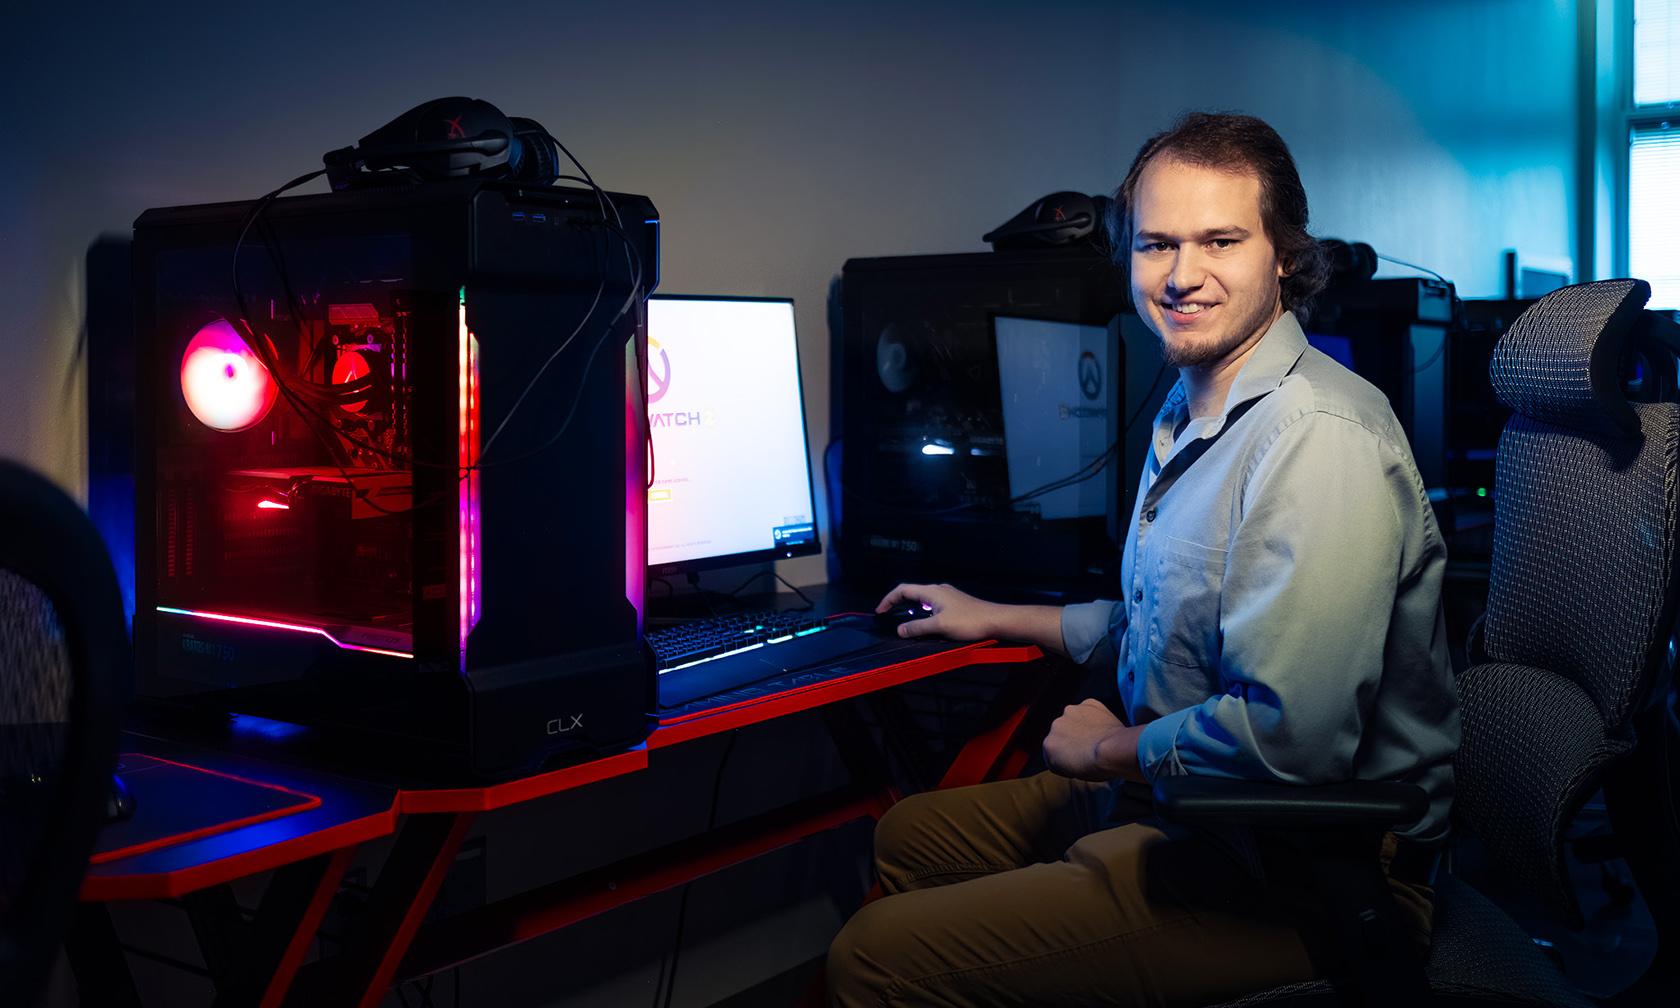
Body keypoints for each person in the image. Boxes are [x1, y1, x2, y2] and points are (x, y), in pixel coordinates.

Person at [826, 111, 1462, 1007]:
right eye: (1158, 244)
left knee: (874, 957)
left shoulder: (1317, 439)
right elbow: (1177, 617)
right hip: (1191, 809)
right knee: (910, 840)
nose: (1183, 275)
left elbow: (1291, 740)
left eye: (1221, 240)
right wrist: (998, 615)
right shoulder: (1190, 404)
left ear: (1283, 254)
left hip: (1306, 868)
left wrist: (1113, 749)